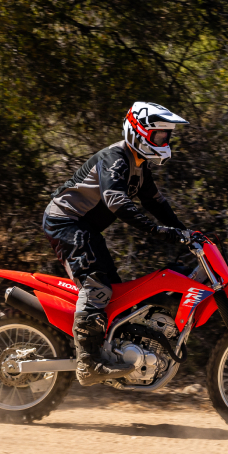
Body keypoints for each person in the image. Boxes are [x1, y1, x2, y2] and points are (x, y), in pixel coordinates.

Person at [42, 102, 197, 386]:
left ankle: (112, 351)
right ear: (139, 132)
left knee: (115, 295)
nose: (165, 140)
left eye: (167, 135)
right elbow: (117, 202)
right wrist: (158, 231)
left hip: (85, 228)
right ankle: (88, 363)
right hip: (65, 221)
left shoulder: (139, 165)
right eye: (160, 135)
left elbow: (156, 203)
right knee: (96, 285)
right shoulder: (115, 158)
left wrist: (186, 233)